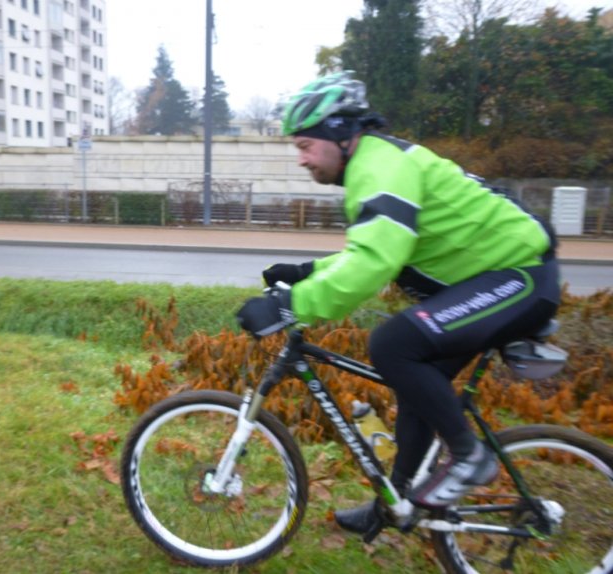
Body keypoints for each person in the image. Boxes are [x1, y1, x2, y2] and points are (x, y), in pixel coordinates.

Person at [236, 71, 561, 535]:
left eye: (305, 145)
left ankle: (469, 458)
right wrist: (309, 273)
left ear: (340, 136)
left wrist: (291, 306)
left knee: (392, 344)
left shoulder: (380, 167)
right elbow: (377, 248)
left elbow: (375, 263)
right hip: (495, 279)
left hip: (520, 276)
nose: (301, 159)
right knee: (415, 392)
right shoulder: (375, 164)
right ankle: (397, 505)